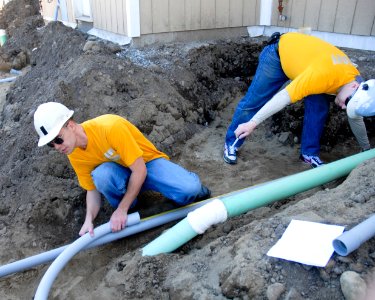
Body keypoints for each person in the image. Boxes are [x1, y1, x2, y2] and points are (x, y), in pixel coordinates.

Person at [33, 102, 211, 236]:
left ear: (70, 125)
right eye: (51, 145)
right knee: (101, 176)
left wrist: (121, 209)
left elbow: (140, 170)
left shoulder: (109, 128)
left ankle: (126, 207)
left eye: (58, 139)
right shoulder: (73, 153)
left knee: (190, 190)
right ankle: (133, 208)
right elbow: (91, 190)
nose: (57, 147)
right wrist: (89, 220)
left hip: (146, 164)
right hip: (124, 175)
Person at [223, 32, 374, 168]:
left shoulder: (355, 82)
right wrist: (252, 123)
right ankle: (232, 142)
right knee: (254, 100)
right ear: (354, 86)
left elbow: (355, 117)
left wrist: (366, 149)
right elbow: (283, 97)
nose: (343, 108)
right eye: (347, 103)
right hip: (278, 54)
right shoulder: (321, 76)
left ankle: (309, 154)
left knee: (318, 108)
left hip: (309, 65)